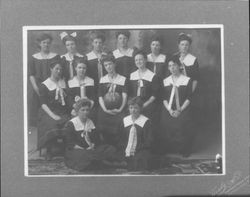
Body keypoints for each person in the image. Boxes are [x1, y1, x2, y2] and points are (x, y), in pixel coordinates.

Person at [63, 98, 120, 171]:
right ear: (77, 111)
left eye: (87, 110)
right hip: (77, 149)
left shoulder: (91, 122)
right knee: (84, 155)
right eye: (83, 110)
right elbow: (70, 143)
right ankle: (101, 162)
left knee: (110, 149)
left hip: (91, 149)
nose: (85, 112)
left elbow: (96, 140)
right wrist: (83, 149)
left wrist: (92, 145)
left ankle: (98, 161)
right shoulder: (71, 124)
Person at [159, 58, 194, 157]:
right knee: (164, 122)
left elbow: (189, 97)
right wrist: (170, 110)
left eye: (174, 65)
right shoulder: (166, 81)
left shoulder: (187, 80)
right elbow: (164, 98)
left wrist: (180, 110)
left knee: (184, 123)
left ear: (179, 66)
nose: (172, 68)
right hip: (169, 108)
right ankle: (168, 148)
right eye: (170, 66)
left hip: (183, 108)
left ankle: (184, 150)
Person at [37, 60, 70, 159]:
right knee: (51, 123)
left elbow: (68, 99)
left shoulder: (63, 82)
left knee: (69, 122)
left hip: (63, 111)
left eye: (60, 69)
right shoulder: (44, 85)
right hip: (48, 111)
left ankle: (65, 147)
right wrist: (53, 115)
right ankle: (49, 149)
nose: (59, 71)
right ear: (51, 69)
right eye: (56, 69)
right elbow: (43, 104)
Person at [28, 33, 60, 126]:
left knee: (51, 105)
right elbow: (31, 74)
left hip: (51, 84)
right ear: (39, 44)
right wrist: (35, 87)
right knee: (38, 104)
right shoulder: (34, 57)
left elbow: (58, 71)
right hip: (38, 85)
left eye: (48, 43)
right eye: (44, 42)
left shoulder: (55, 56)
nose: (46, 44)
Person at [97, 53, 128, 147]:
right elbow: (100, 97)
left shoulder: (122, 79)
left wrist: (120, 109)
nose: (108, 67)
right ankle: (106, 147)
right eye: (105, 65)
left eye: (110, 64)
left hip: (119, 109)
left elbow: (125, 96)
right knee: (101, 121)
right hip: (105, 109)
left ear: (114, 64)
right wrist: (105, 109)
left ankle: (118, 148)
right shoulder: (102, 79)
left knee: (121, 124)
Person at [117, 97, 153, 171]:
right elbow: (120, 138)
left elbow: (148, 141)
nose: (133, 110)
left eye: (136, 108)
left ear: (140, 109)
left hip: (140, 149)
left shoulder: (146, 122)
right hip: (125, 148)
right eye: (131, 108)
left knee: (139, 162)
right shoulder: (125, 120)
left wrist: (136, 148)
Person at [129, 50, 160, 122]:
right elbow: (130, 92)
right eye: (136, 60)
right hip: (134, 106)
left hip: (148, 105)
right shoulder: (132, 75)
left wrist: (143, 105)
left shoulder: (152, 76)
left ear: (145, 60)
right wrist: (134, 106)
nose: (138, 62)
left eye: (140, 59)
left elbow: (154, 94)